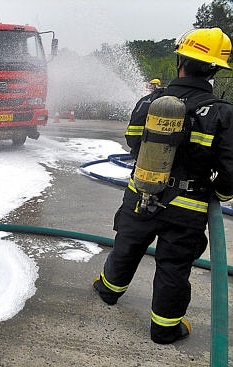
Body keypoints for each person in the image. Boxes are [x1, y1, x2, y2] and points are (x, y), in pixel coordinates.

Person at [93, 28, 233, 344]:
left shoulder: (150, 100)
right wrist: (221, 194)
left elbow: (131, 141)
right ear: (214, 69)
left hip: (141, 194)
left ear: (179, 61)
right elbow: (229, 169)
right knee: (173, 266)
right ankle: (165, 328)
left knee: (126, 246)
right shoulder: (223, 114)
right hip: (189, 206)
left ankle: (108, 290)